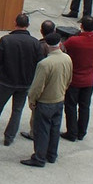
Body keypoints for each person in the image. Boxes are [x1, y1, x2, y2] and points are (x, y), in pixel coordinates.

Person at [0, 13, 44, 146]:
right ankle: (9, 136)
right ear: (28, 25)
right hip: (25, 82)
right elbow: (40, 63)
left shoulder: (6, 40)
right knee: (17, 110)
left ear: (15, 23)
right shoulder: (35, 43)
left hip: (6, 80)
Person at [21, 33, 73, 168]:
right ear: (60, 44)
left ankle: (39, 157)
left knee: (41, 130)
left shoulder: (44, 64)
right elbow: (69, 78)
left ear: (47, 46)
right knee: (54, 129)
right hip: (59, 99)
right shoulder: (67, 58)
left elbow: (37, 86)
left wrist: (32, 100)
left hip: (45, 102)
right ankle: (51, 154)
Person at [61, 16, 93, 141]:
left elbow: (62, 48)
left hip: (74, 79)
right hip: (89, 80)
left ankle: (72, 132)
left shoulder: (74, 41)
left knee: (70, 106)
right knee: (85, 107)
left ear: (81, 26)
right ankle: (81, 132)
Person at [20, 19, 60, 141]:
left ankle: (34, 133)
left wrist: (33, 96)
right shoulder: (61, 47)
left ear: (41, 31)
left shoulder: (39, 45)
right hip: (56, 85)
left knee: (36, 111)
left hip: (41, 82)